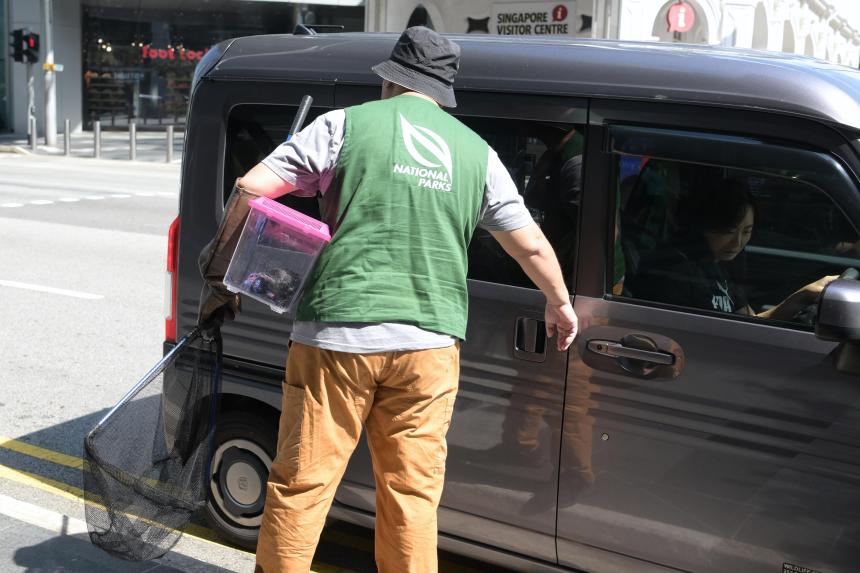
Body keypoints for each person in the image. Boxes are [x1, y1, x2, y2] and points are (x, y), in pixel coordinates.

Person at [199, 27, 578, 573]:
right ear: (441, 93)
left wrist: (223, 279)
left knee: (302, 485)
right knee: (411, 497)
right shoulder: (478, 154)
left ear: (389, 81)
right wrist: (559, 303)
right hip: (428, 348)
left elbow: (252, 187)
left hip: (336, 337)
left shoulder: (342, 125)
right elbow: (531, 245)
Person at [628, 178, 835, 320]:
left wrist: (803, 295)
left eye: (747, 232)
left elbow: (752, 323)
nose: (737, 243)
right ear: (705, 224)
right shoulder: (678, 274)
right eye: (729, 230)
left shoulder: (718, 266)